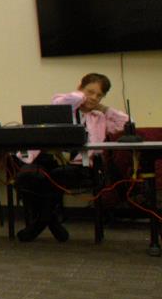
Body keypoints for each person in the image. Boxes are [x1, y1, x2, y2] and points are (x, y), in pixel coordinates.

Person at [16, 72, 131, 243]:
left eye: (99, 95)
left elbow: (126, 122)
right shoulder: (64, 106)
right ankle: (52, 220)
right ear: (80, 88)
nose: (93, 98)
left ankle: (40, 223)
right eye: (90, 91)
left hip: (81, 166)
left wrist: (104, 108)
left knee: (56, 177)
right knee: (27, 176)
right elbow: (60, 102)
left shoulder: (99, 117)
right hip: (52, 160)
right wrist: (82, 97)